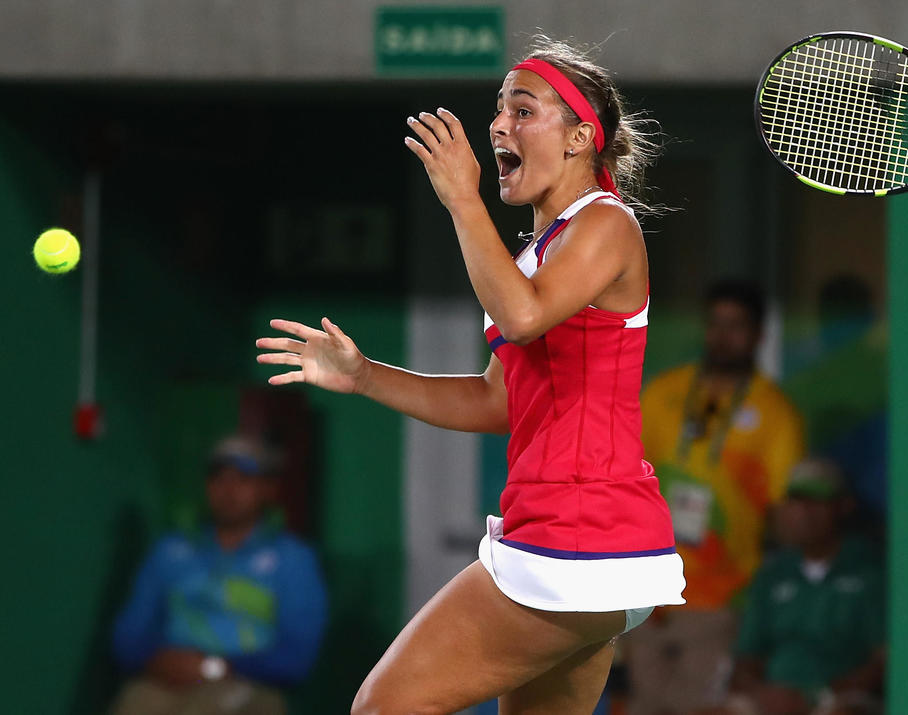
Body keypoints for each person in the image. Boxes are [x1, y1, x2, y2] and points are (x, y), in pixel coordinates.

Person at [255, 37, 684, 715]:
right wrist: (366, 375)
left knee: (381, 708)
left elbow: (521, 317)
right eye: (498, 110)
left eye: (523, 109)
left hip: (574, 534)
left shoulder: (606, 222)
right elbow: (495, 399)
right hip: (597, 548)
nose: (498, 125)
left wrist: (463, 200)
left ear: (579, 137)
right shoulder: (541, 249)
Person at [626, 280, 806, 714]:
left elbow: (786, 516)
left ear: (759, 335)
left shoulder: (776, 415)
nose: (723, 336)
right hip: (649, 589)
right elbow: (626, 476)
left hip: (722, 600)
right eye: (715, 324)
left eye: (736, 326)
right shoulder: (664, 392)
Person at [110, 435, 328, 715]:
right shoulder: (171, 550)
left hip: (249, 686)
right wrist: (159, 662)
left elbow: (297, 657)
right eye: (219, 478)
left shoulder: (292, 558)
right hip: (165, 682)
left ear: (267, 489)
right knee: (136, 702)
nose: (229, 490)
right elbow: (128, 636)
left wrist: (215, 667)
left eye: (242, 479)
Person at [722, 458, 886, 715]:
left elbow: (882, 660)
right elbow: (746, 657)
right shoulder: (773, 574)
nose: (803, 512)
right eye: (795, 500)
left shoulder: (869, 571)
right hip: (775, 695)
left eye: (816, 501)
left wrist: (817, 695)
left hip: (839, 696)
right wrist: (764, 694)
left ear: (844, 506)